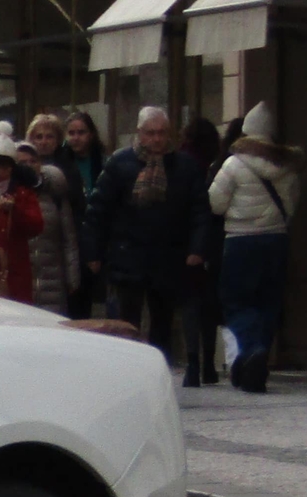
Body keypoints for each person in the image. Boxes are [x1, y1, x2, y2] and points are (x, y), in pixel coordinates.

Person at [83, 105, 211, 371]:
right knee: (128, 321)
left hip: (168, 255)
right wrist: (93, 252)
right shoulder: (120, 163)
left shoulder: (184, 166)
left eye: (162, 133)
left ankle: (158, 372)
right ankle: (129, 371)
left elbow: (199, 210)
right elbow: (98, 210)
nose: (156, 139)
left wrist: (197, 249)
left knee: (162, 321)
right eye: (150, 133)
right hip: (128, 253)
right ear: (140, 133)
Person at [210, 100, 304, 394]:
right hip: (276, 239)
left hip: (240, 240)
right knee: (268, 300)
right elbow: (292, 205)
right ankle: (259, 353)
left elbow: (215, 203)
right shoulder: (286, 166)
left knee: (237, 301)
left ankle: (251, 349)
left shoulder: (233, 164)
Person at [16, 112, 81, 316]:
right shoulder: (11, 195)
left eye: (32, 162)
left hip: (52, 279)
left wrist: (73, 276)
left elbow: (68, 238)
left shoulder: (56, 191)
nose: (28, 167)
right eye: (22, 163)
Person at [0, 124, 44, 302]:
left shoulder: (23, 193)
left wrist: (15, 211)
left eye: (5, 167)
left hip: (15, 278)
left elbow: (36, 226)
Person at [182, 115, 228, 386]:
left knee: (190, 304)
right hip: (212, 243)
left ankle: (191, 364)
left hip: (185, 243)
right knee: (208, 305)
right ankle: (209, 363)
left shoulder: (180, 164)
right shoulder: (214, 167)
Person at [61, 110, 107, 314]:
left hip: (98, 236)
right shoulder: (61, 162)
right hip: (71, 235)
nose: (76, 137)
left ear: (91, 134)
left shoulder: (104, 163)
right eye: (71, 133)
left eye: (81, 132)